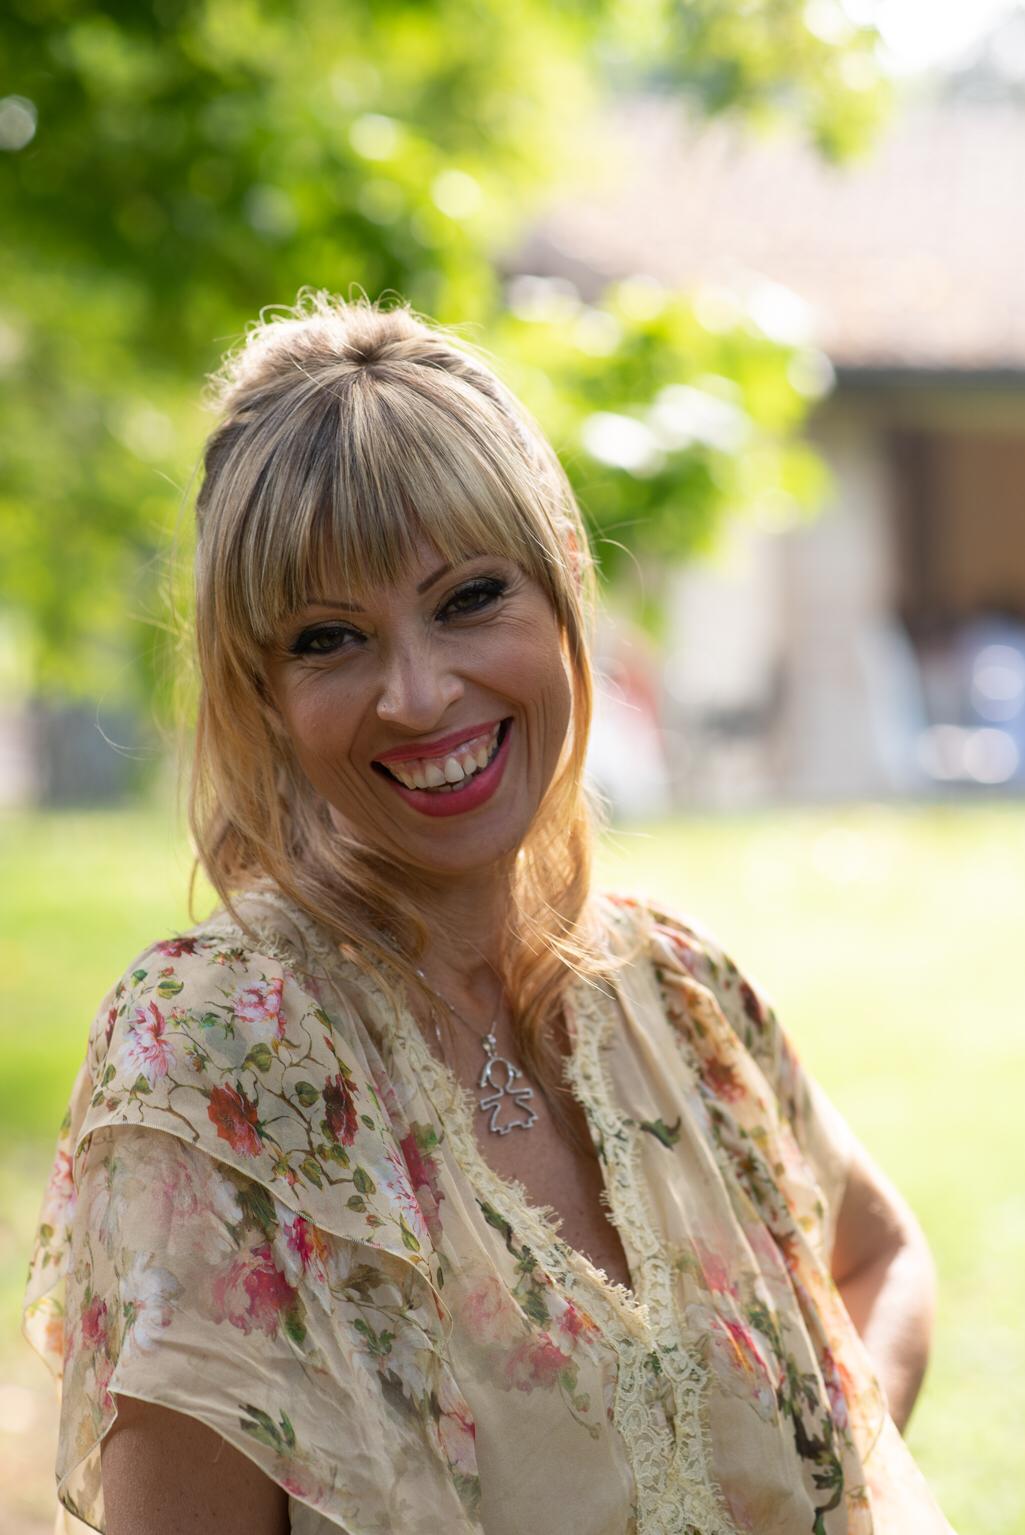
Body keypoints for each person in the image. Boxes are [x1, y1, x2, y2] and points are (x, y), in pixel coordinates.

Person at [24, 293, 956, 1534]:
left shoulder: (675, 988)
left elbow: (881, 1256)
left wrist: (828, 1489)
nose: (417, 695)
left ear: (561, 581)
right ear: (262, 691)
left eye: (468, 598)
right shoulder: (214, 1055)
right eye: (329, 637)